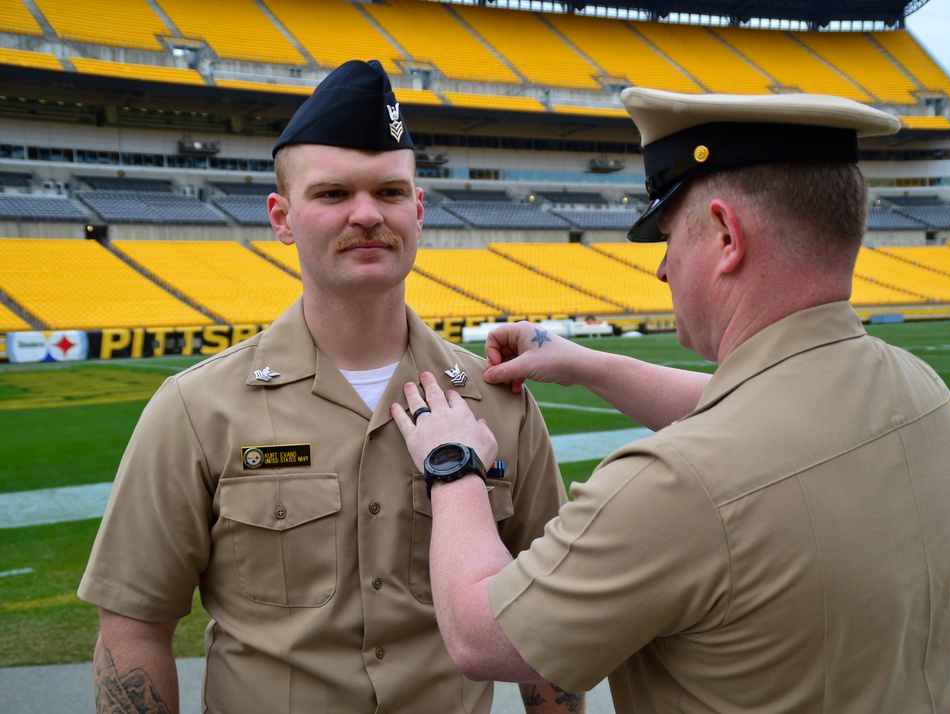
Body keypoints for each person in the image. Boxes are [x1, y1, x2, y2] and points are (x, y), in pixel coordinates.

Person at [389, 88, 950, 713]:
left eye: (667, 235)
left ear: (726, 235)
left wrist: (453, 465)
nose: (663, 270)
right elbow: (762, 415)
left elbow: (479, 635)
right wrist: (586, 364)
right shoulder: (921, 391)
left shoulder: (678, 488)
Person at [78, 59, 581, 714]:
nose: (367, 214)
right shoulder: (197, 409)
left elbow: (541, 614)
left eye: (391, 193)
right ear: (281, 218)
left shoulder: (497, 399)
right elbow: (134, 630)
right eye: (334, 194)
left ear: (420, 211)